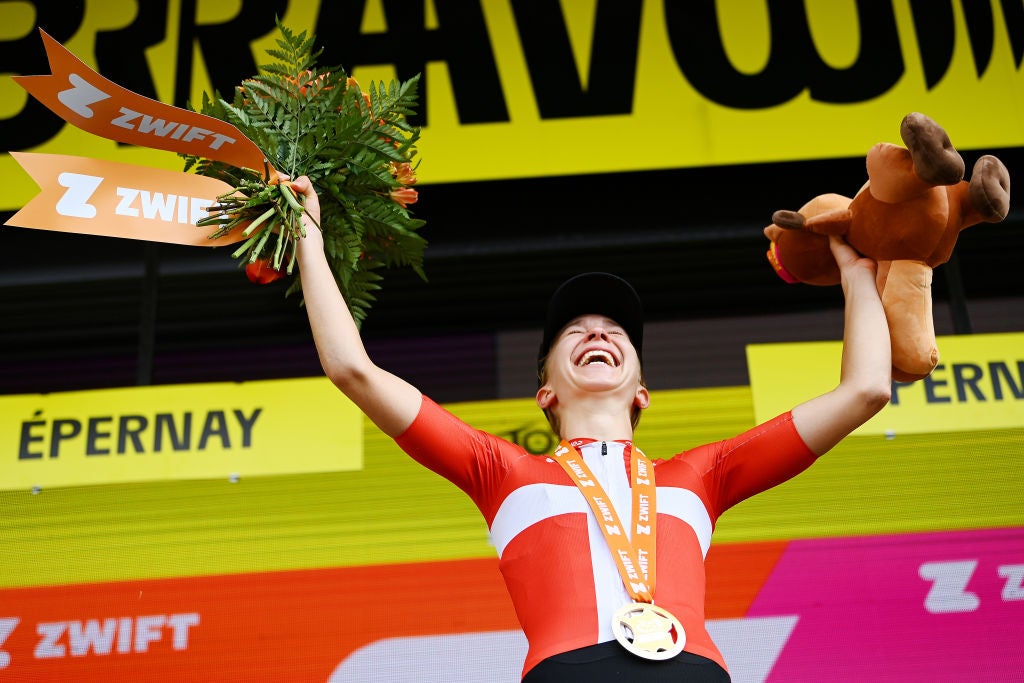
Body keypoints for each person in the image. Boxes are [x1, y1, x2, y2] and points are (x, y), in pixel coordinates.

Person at [290, 175, 892, 682]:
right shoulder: (502, 470)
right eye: (574, 330)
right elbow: (353, 369)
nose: (598, 334)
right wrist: (307, 235)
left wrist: (856, 272)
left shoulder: (702, 475)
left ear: (642, 392)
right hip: (570, 671)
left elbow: (865, 390)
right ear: (544, 390)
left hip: (696, 671)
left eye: (615, 330)